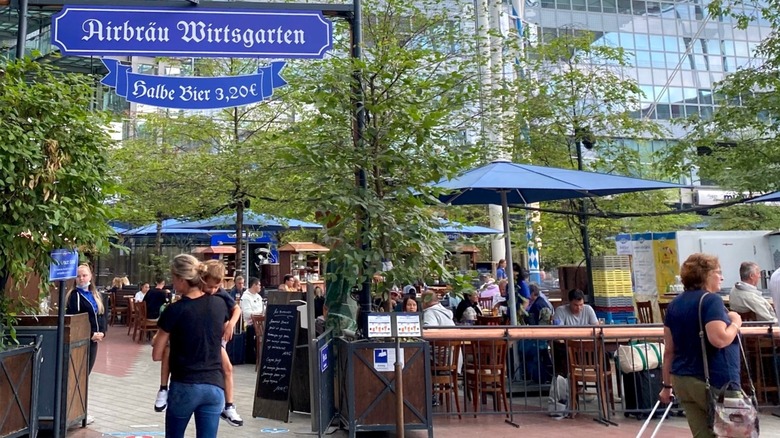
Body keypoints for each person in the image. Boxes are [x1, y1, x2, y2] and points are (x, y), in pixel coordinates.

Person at [660, 253, 742, 438]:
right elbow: (719, 339)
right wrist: (736, 323)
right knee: (737, 434)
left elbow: (669, 351)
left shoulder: (675, 304)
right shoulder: (711, 300)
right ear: (705, 274)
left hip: (683, 380)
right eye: (718, 272)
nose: (721, 277)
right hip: (715, 381)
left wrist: (666, 385)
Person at [152, 255, 228, 438]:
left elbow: (156, 354)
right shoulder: (219, 304)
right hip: (215, 385)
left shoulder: (175, 310)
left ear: (180, 279)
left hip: (185, 384)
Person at [65, 264, 107, 425]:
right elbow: (77, 320)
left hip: (94, 341)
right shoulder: (74, 296)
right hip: (82, 341)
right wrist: (90, 334)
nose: (81, 279)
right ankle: (76, 412)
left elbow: (102, 314)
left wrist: (102, 332)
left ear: (90, 276)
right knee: (79, 376)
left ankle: (80, 410)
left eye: (84, 275)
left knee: (85, 376)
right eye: (78, 276)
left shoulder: (95, 294)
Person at [240, 277, 265, 365]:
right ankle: (253, 356)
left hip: (260, 322)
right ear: (254, 285)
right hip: (249, 324)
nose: (260, 287)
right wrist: (260, 313)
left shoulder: (258, 296)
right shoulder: (246, 297)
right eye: (259, 285)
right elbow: (247, 313)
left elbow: (264, 309)